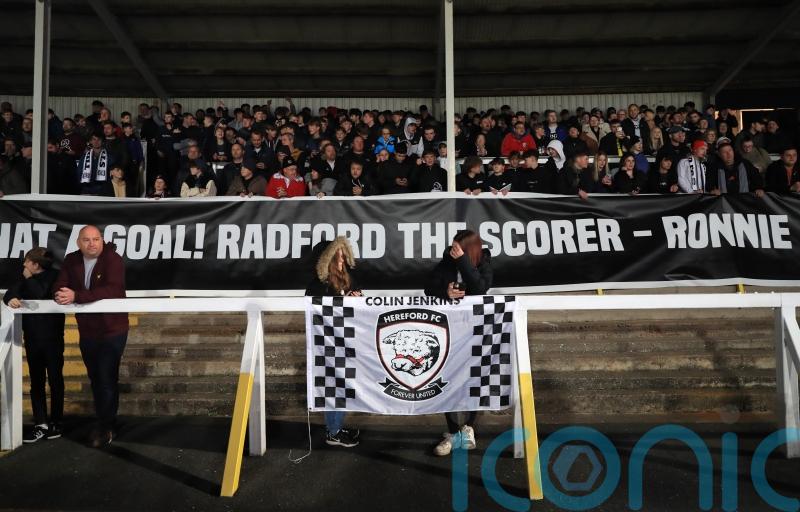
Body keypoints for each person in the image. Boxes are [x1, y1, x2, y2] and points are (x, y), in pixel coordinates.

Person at [53, 225, 128, 448]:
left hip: (112, 329)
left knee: (106, 377)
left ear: (102, 240)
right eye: (86, 240)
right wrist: (60, 294)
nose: (92, 243)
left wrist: (77, 296)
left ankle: (106, 426)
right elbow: (60, 284)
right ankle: (105, 421)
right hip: (87, 331)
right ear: (79, 242)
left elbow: (113, 290)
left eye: (96, 239)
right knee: (96, 378)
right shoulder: (71, 259)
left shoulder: (113, 259)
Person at [424, 230, 492, 456]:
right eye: (453, 247)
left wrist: (463, 261)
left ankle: (468, 427)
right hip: (450, 328)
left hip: (476, 328)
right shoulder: (447, 260)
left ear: (469, 249)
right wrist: (445, 292)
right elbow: (428, 287)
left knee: (474, 376)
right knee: (447, 376)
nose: (453, 250)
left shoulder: (484, 259)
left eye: (458, 248)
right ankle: (453, 433)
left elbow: (481, 288)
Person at [2, 248, 65, 443]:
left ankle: (56, 422)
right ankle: (41, 424)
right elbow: (9, 294)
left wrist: (28, 278)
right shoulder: (24, 276)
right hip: (32, 338)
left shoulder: (55, 276)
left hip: (53, 338)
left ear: (36, 264)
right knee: (36, 382)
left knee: (55, 381)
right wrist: (11, 298)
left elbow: (40, 293)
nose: (24, 264)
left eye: (27, 261)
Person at [304, 237, 362, 448]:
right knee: (333, 386)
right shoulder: (318, 284)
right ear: (327, 259)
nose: (342, 260)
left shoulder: (349, 279)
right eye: (338, 256)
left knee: (342, 386)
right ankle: (333, 432)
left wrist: (358, 298)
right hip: (328, 344)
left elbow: (360, 302)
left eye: (343, 255)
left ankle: (336, 428)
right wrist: (345, 301)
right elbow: (316, 311)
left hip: (347, 340)